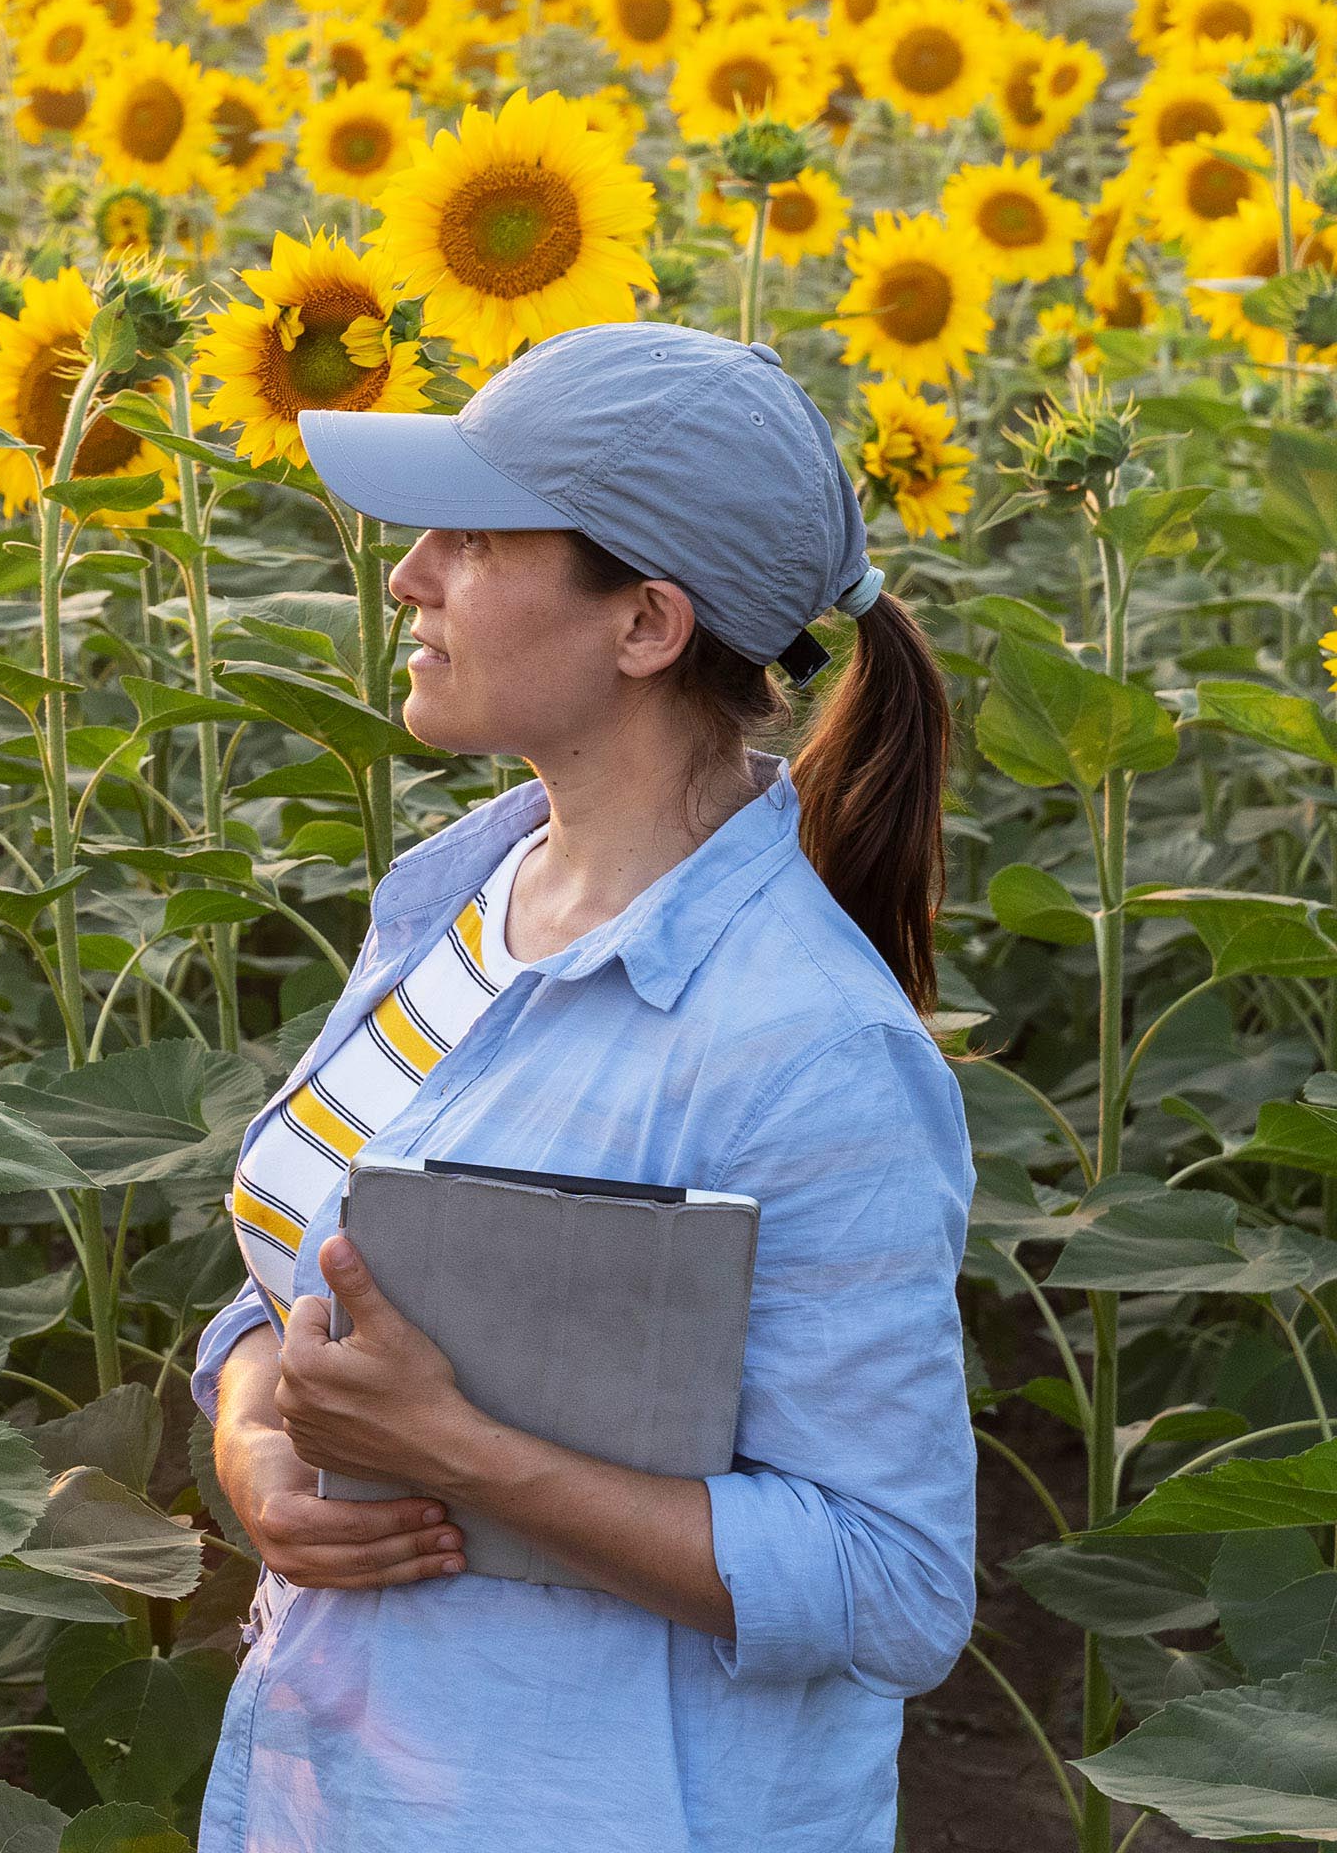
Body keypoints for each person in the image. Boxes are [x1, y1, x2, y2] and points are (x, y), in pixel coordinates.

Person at [191, 321, 974, 1852]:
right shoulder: (461, 898)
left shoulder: (808, 1045)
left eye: (475, 538)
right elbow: (297, 1282)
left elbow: (898, 1583)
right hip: (332, 1780)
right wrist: (253, 1439)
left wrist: (461, 1456)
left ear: (646, 626)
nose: (409, 575)